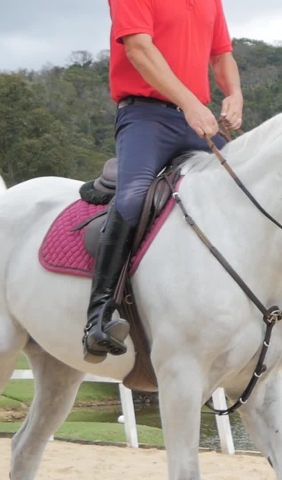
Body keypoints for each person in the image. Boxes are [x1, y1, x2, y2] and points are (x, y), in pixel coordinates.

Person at [83, 0, 244, 363]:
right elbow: (139, 48)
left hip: (198, 115)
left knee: (249, 191)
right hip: (145, 117)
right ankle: (99, 317)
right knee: (133, 199)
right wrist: (189, 103)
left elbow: (222, 54)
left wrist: (234, 94)